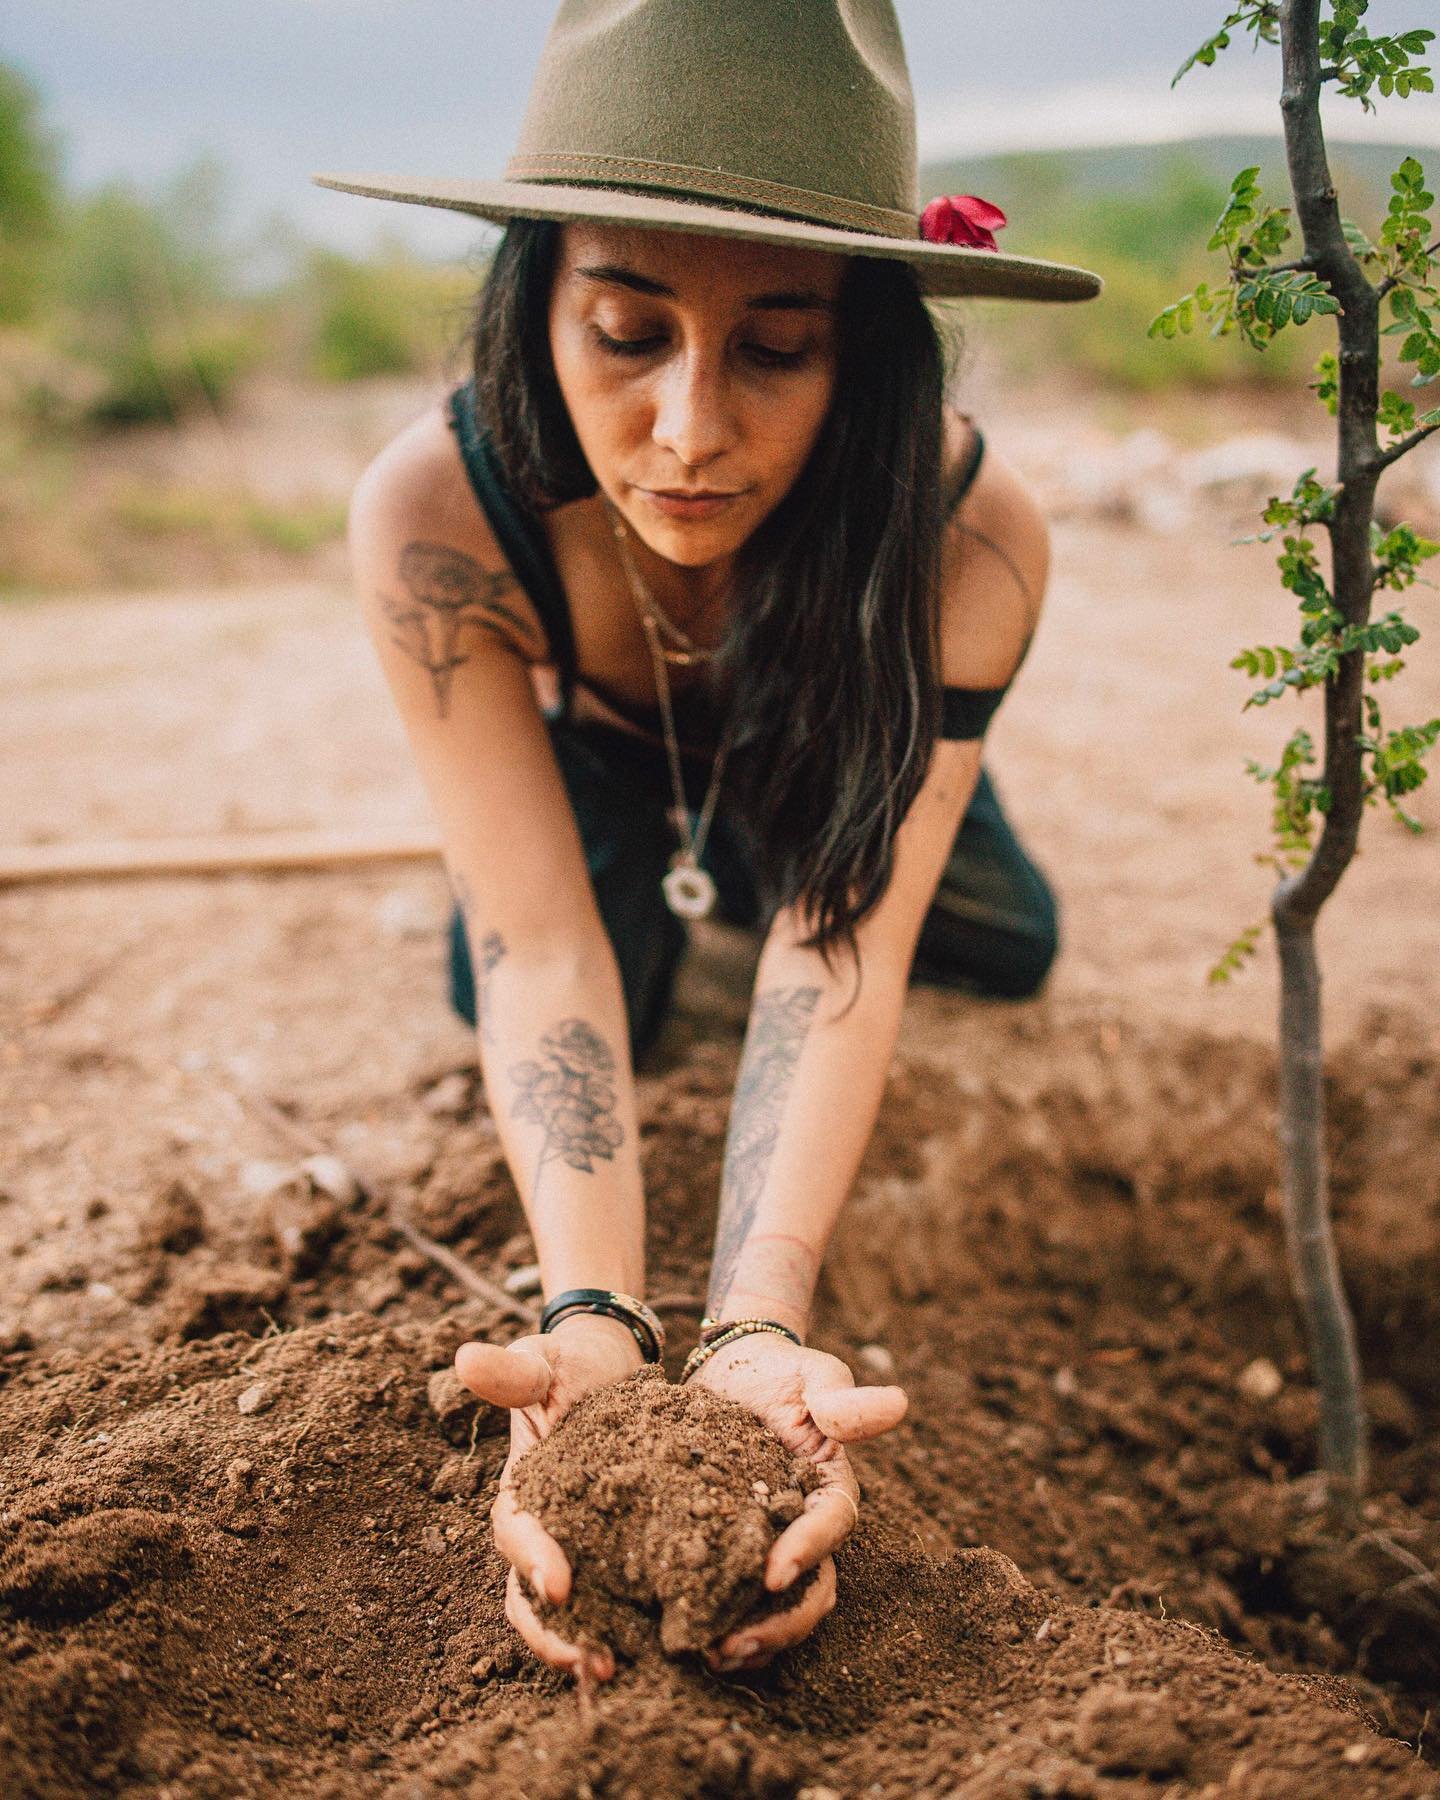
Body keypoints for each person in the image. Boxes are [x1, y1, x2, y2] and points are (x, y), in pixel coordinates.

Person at [321, 0, 1100, 1686]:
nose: (687, 428)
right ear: (535, 304)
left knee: (1001, 943)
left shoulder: (971, 534)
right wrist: (593, 1324)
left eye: (775, 348)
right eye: (625, 329)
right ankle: (684, 861)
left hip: (837, 747)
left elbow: (845, 949)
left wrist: (756, 1333)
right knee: (524, 972)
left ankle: (787, 834)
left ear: (868, 348)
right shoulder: (432, 513)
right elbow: (544, 955)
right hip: (601, 752)